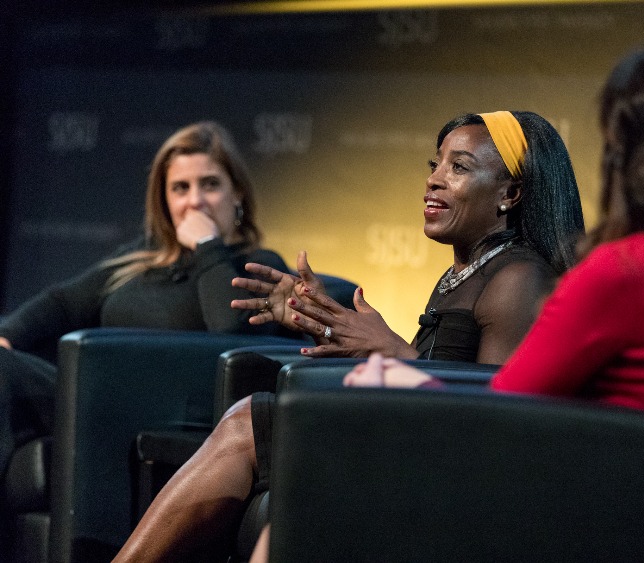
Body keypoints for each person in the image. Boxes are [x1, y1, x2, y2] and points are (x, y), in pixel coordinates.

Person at [113, 110, 585, 562]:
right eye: (435, 164)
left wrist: (390, 349)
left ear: (511, 194)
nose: (434, 179)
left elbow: (494, 427)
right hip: (416, 444)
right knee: (258, 425)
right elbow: (442, 375)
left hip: (451, 473)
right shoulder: (467, 274)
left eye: (458, 167)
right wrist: (323, 321)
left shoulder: (518, 278)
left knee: (249, 422)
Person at [347, 44, 644, 416]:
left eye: (458, 166)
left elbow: (502, 418)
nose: (435, 179)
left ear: (624, 157)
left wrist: (406, 378)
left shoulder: (620, 271)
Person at [0, 121, 292, 552]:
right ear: (164, 200)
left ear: (238, 196)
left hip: (165, 406)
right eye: (180, 188)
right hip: (86, 395)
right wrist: (7, 336)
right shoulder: (136, 262)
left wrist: (210, 247)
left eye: (209, 184)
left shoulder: (255, 264)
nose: (195, 201)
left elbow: (232, 334)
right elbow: (60, 304)